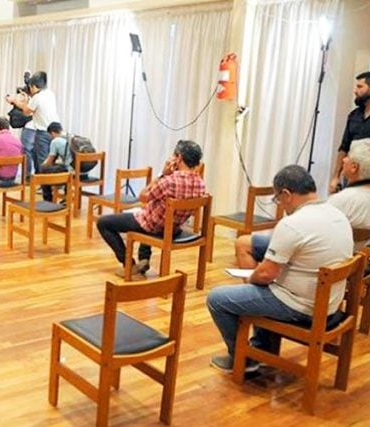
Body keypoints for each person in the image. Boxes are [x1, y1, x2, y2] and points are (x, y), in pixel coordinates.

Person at [207, 165, 353, 373]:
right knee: (246, 244)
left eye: (277, 198)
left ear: (286, 194)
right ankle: (262, 346)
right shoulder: (337, 214)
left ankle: (243, 357)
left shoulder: (293, 223)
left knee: (218, 299)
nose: (280, 205)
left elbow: (266, 274)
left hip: (301, 305)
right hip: (329, 300)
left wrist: (252, 279)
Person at [236, 138, 370, 269]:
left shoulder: (343, 199)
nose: (343, 159)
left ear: (354, 167)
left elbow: (307, 228)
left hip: (323, 258)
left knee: (243, 243)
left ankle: (259, 293)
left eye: (348, 157)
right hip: (351, 258)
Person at [97, 140, 206, 276]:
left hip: (154, 226)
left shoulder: (169, 181)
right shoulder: (200, 183)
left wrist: (162, 174)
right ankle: (144, 259)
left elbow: (142, 196)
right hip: (173, 227)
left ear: (178, 158)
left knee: (104, 222)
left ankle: (129, 265)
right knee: (151, 212)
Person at [329, 71, 370, 194]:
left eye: (360, 87)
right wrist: (335, 177)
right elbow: (344, 147)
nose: (355, 91)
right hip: (351, 178)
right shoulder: (354, 115)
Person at [6, 71, 60, 174]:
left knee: (42, 160)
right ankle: (48, 183)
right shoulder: (50, 93)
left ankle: (44, 185)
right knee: (49, 158)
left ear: (34, 87)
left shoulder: (37, 97)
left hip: (43, 132)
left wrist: (15, 101)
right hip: (55, 131)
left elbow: (26, 112)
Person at [39, 122, 72, 202]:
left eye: (50, 135)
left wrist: (42, 165)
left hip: (70, 172)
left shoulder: (55, 141)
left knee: (43, 170)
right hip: (83, 170)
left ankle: (48, 200)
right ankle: (67, 198)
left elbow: (49, 162)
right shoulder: (69, 137)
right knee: (62, 166)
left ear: (52, 133)